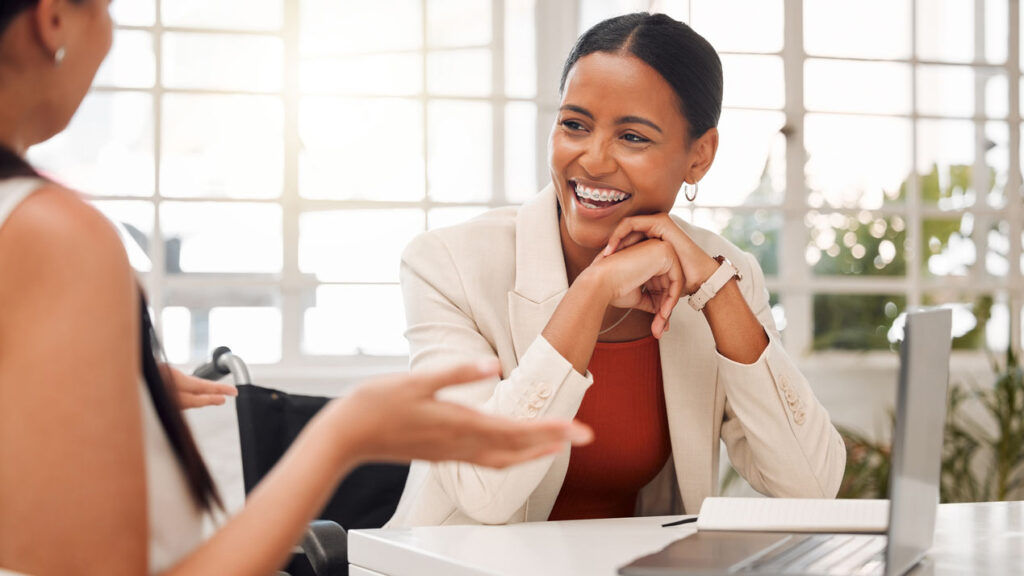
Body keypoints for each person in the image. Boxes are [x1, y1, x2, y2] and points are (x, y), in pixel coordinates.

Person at [0, 1, 592, 575]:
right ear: (53, 18)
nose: (109, 37)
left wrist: (111, 386)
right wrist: (343, 433)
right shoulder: (54, 235)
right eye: (105, 9)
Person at [387, 12, 846, 528]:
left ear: (699, 155)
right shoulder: (448, 264)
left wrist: (718, 292)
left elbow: (809, 485)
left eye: (632, 137)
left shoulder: (723, 274)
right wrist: (593, 290)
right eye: (574, 125)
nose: (593, 160)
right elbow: (485, 488)